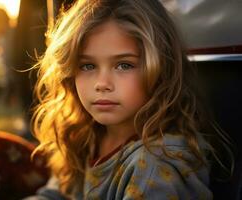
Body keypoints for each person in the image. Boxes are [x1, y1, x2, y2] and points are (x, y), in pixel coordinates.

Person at [27, 0, 232, 199]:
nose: (102, 83)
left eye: (124, 65)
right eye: (88, 66)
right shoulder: (85, 134)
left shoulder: (155, 168)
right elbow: (57, 193)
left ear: (160, 69)